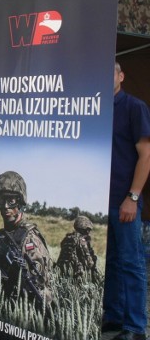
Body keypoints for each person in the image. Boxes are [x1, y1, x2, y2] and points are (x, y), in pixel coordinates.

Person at [102, 62, 150, 340]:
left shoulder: (134, 107)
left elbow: (146, 155)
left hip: (124, 200)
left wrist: (132, 197)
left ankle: (135, 327)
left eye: (111, 72)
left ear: (121, 76)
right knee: (111, 262)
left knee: (131, 262)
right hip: (99, 201)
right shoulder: (94, 107)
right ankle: (114, 316)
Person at [0, 171, 52, 308]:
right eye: (2, 200)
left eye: (11, 201)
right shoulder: (1, 236)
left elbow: (38, 286)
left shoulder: (30, 238)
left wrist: (15, 272)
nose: (6, 206)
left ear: (20, 202)